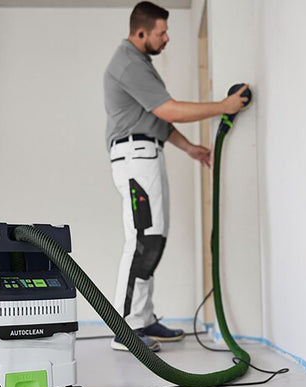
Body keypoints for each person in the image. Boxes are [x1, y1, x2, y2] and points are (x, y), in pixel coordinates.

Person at [103, 1, 248, 352]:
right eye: (161, 33)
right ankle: (126, 329)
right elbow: (168, 110)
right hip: (135, 157)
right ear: (141, 33)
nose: (167, 38)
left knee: (152, 238)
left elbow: (157, 120)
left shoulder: (140, 63)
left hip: (146, 153)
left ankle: (142, 318)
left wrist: (190, 149)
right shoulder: (128, 63)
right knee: (143, 239)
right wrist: (223, 107)